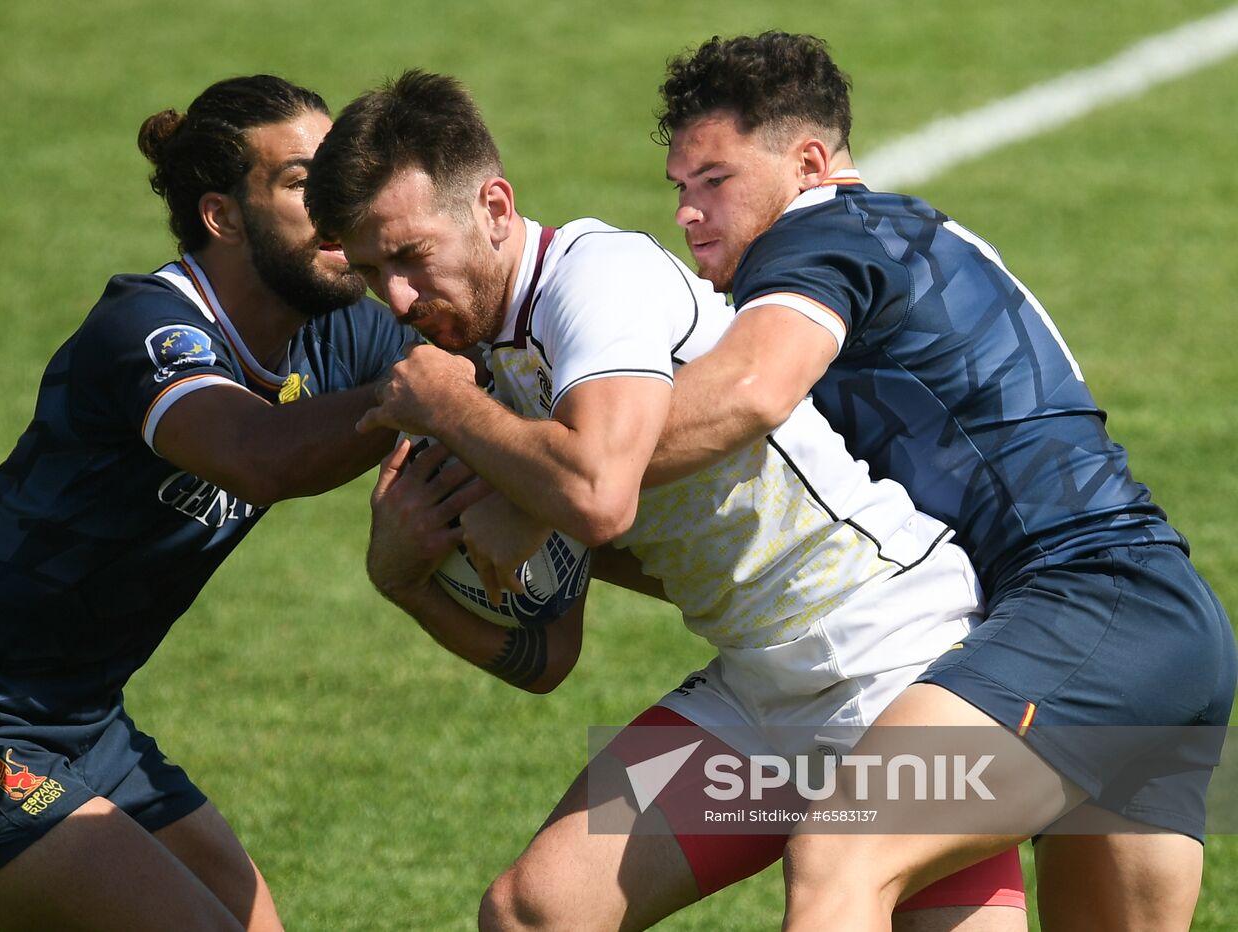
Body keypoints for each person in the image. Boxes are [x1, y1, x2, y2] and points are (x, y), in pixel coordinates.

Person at [306, 69, 1026, 931]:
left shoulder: (593, 282)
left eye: (412, 258)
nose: (397, 298)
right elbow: (545, 659)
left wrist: (454, 414)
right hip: (759, 698)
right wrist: (407, 579)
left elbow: (600, 499)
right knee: (536, 910)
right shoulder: (488, 357)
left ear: (494, 206)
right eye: (374, 270)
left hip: (895, 657)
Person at [653, 31, 1237, 930]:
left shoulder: (812, 243)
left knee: (839, 856)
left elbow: (749, 390)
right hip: (1165, 626)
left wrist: (562, 455)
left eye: (716, 181)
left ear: (809, 163)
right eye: (679, 190)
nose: (689, 215)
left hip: (1080, 610)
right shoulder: (901, 227)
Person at [0, 75, 424, 930]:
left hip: (84, 725)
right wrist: (425, 393)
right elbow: (260, 455)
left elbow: (488, 359)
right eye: (305, 184)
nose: (342, 202)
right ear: (222, 215)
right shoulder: (147, 332)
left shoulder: (338, 328)